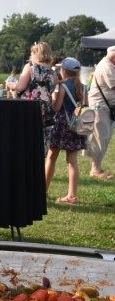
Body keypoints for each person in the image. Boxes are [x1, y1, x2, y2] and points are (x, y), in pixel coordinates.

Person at [46, 57, 88, 205]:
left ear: (63, 70)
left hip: (62, 124)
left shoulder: (63, 86)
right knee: (72, 161)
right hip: (77, 125)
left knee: (51, 157)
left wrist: (53, 97)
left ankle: (44, 190)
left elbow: (56, 108)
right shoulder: (83, 87)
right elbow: (85, 106)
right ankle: (72, 195)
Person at [7, 41, 57, 153]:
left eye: (32, 53)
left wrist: (11, 85)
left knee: (25, 140)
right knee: (40, 143)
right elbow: (51, 90)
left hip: (28, 108)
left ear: (36, 53)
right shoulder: (54, 73)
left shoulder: (30, 67)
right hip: (45, 111)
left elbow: (20, 87)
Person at [86, 45, 115, 180]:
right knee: (100, 137)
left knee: (103, 137)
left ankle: (97, 167)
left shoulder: (108, 64)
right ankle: (95, 169)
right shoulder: (107, 66)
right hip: (101, 107)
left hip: (104, 108)